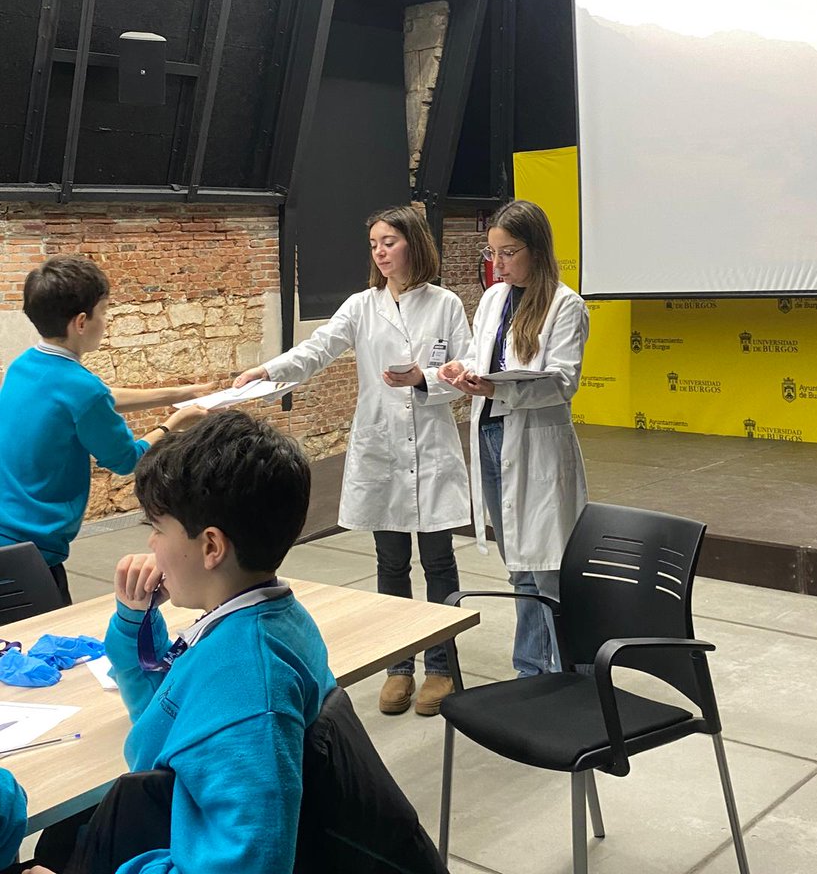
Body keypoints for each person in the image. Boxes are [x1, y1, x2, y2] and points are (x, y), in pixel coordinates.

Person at [234, 205, 471, 717]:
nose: (381, 252)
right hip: (382, 446)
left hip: (430, 446)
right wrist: (268, 371)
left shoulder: (446, 304)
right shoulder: (362, 306)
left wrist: (424, 380)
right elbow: (319, 349)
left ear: (414, 243)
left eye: (390, 242)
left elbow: (463, 369)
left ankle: (443, 666)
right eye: (374, 245)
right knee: (390, 563)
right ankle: (399, 666)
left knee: (438, 562)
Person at [103, 411, 335, 874]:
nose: (151, 546)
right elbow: (170, 715)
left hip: (161, 841)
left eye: (157, 528)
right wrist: (134, 621)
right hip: (164, 818)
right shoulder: (263, 620)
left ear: (211, 547)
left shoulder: (249, 686)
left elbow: (252, 862)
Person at [437, 200, 589, 677]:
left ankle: (567, 673)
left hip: (536, 443)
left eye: (509, 253)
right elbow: (480, 354)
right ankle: (532, 668)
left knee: (547, 566)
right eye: (493, 253)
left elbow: (563, 381)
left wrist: (498, 385)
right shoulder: (492, 299)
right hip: (491, 435)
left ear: (537, 250)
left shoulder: (566, 305)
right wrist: (461, 369)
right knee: (518, 563)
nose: (497, 264)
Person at [0, 256, 208, 604]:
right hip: (31, 555)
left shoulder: (25, 366)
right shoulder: (81, 389)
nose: (106, 322)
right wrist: (174, 422)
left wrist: (179, 393)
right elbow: (128, 460)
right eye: (104, 312)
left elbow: (98, 397)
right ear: (82, 322)